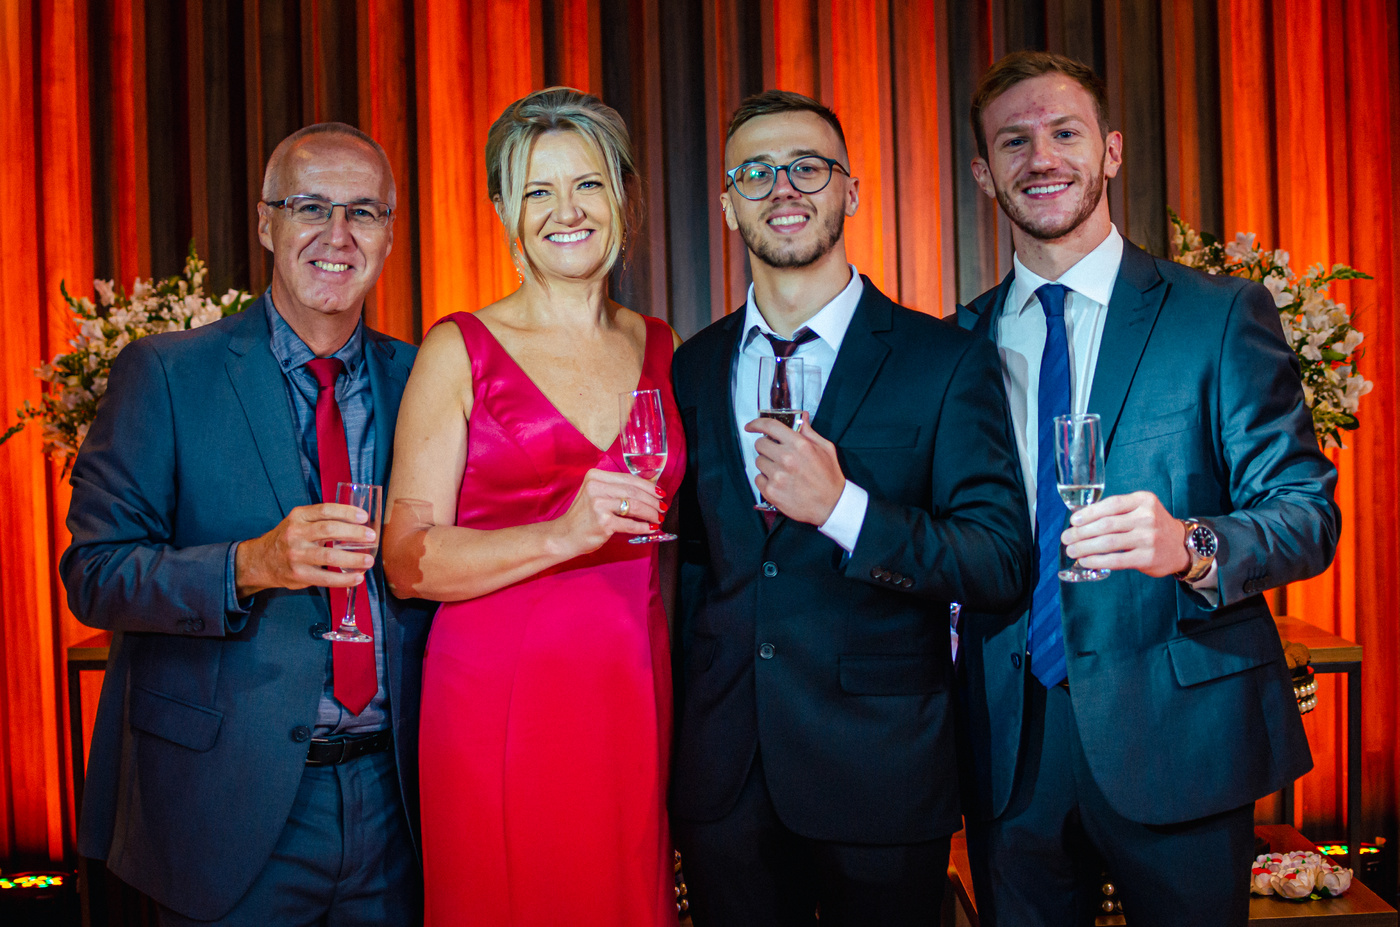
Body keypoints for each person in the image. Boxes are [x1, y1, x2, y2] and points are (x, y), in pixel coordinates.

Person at [955, 50, 1340, 927]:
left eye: (1065, 132)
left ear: (1112, 151)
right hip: (1008, 742)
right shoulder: (955, 344)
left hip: (1183, 733)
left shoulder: (1218, 314)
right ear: (984, 172)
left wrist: (1191, 545)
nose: (1041, 157)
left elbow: (1307, 512)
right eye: (1014, 141)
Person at [669, 90, 1032, 927]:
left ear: (851, 191)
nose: (782, 188)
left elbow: (999, 559)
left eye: (807, 167)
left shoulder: (943, 360)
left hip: (881, 775)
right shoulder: (693, 365)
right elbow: (692, 572)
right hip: (724, 781)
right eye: (755, 172)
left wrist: (844, 510)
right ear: (727, 204)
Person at [61, 123, 432, 925]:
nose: (338, 234)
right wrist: (249, 565)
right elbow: (94, 572)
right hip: (228, 803)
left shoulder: (425, 379)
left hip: (396, 803)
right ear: (266, 223)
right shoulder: (167, 373)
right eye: (311, 207)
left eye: (363, 212)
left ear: (389, 233)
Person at [381, 87, 682, 927]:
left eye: (586, 184)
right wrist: (562, 534)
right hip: (499, 698)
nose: (566, 211)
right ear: (503, 210)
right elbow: (404, 560)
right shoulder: (459, 348)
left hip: (634, 689)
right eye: (536, 191)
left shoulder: (660, 344)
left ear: (622, 195)